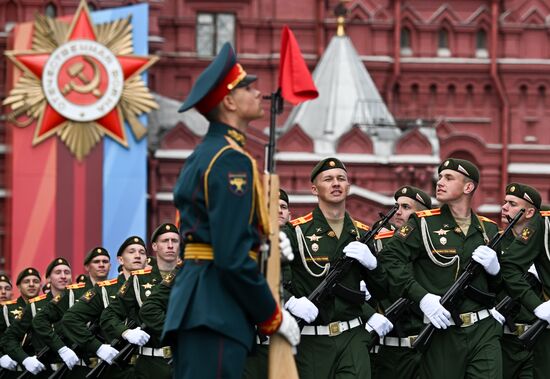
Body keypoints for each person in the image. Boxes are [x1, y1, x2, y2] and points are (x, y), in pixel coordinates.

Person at [162, 42, 299, 379]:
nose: (258, 94)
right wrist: (272, 315)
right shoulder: (231, 160)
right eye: (248, 88)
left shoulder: (206, 154)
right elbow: (231, 256)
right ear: (229, 101)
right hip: (216, 309)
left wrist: (264, 245)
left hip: (202, 306)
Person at [381, 158, 502, 379]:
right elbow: (390, 259)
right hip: (443, 329)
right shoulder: (422, 223)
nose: (440, 182)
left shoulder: (489, 229)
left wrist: (495, 270)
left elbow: (499, 287)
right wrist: (423, 297)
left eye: (449, 177)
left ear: (468, 187)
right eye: (440, 176)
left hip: (483, 329)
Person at [283, 157, 388, 379]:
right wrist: (290, 301)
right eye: (328, 179)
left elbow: (383, 290)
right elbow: (270, 277)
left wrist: (374, 265)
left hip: (352, 337)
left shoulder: (361, 234)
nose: (336, 183)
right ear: (314, 189)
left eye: (341, 179)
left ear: (349, 187)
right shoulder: (296, 232)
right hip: (312, 340)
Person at [100, 224, 180, 379]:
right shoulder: (139, 279)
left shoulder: (189, 275)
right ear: (155, 246)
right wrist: (126, 332)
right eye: (165, 241)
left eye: (175, 241)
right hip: (151, 364)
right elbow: (108, 315)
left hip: (185, 359)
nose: (170, 245)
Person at [62, 237, 147, 379]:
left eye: (142, 252)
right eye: (132, 251)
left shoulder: (157, 287)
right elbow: (71, 319)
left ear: (147, 260)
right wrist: (97, 347)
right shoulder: (104, 290)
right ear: (120, 260)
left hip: (150, 366)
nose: (137, 255)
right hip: (117, 366)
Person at [374, 186, 431, 379]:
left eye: (406, 207)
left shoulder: (434, 248)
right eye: (396, 206)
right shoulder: (377, 243)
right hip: (388, 350)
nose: (398, 212)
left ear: (421, 215)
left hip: (426, 349)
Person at [32, 248, 111, 377]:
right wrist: (62, 349)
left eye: (105, 261)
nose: (101, 265)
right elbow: (40, 320)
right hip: (78, 366)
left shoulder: (115, 289)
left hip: (110, 365)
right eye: (97, 261)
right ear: (87, 266)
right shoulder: (73, 294)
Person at [491, 183, 541, 379]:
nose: (504, 207)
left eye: (512, 203)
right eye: (505, 202)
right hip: (504, 339)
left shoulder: (544, 245)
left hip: (538, 338)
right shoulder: (495, 242)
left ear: (529, 213)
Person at [500, 185, 550, 379]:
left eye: (512, 203)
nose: (504, 207)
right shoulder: (544, 222)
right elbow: (510, 267)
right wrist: (537, 306)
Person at [3, 258, 72, 376]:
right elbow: (8, 338)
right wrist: (23, 359)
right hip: (42, 367)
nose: (63, 276)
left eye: (67, 272)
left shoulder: (80, 300)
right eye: (58, 272)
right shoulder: (35, 306)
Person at [0, 268, 41, 373]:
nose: (31, 284)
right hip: (14, 367)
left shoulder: (47, 306)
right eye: (26, 281)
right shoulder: (6, 308)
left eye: (36, 281)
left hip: (42, 364)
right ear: (18, 286)